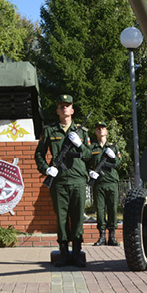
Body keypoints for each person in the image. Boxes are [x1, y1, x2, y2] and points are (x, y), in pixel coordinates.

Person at [35, 94, 92, 267]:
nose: (64, 108)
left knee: (77, 218)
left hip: (78, 180)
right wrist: (46, 168)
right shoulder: (50, 131)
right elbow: (39, 153)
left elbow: (89, 155)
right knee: (61, 218)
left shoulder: (82, 132)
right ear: (57, 110)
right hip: (58, 181)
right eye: (61, 106)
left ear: (72, 110)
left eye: (67, 105)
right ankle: (64, 253)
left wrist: (80, 145)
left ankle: (76, 252)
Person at [87, 122, 122, 246]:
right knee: (100, 210)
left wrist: (114, 158)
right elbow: (86, 163)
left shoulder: (113, 147)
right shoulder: (92, 148)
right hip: (99, 183)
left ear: (106, 131)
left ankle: (112, 236)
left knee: (112, 209)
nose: (100, 130)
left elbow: (118, 164)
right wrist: (90, 173)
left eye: (103, 128)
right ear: (95, 132)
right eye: (98, 128)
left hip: (111, 182)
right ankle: (102, 236)